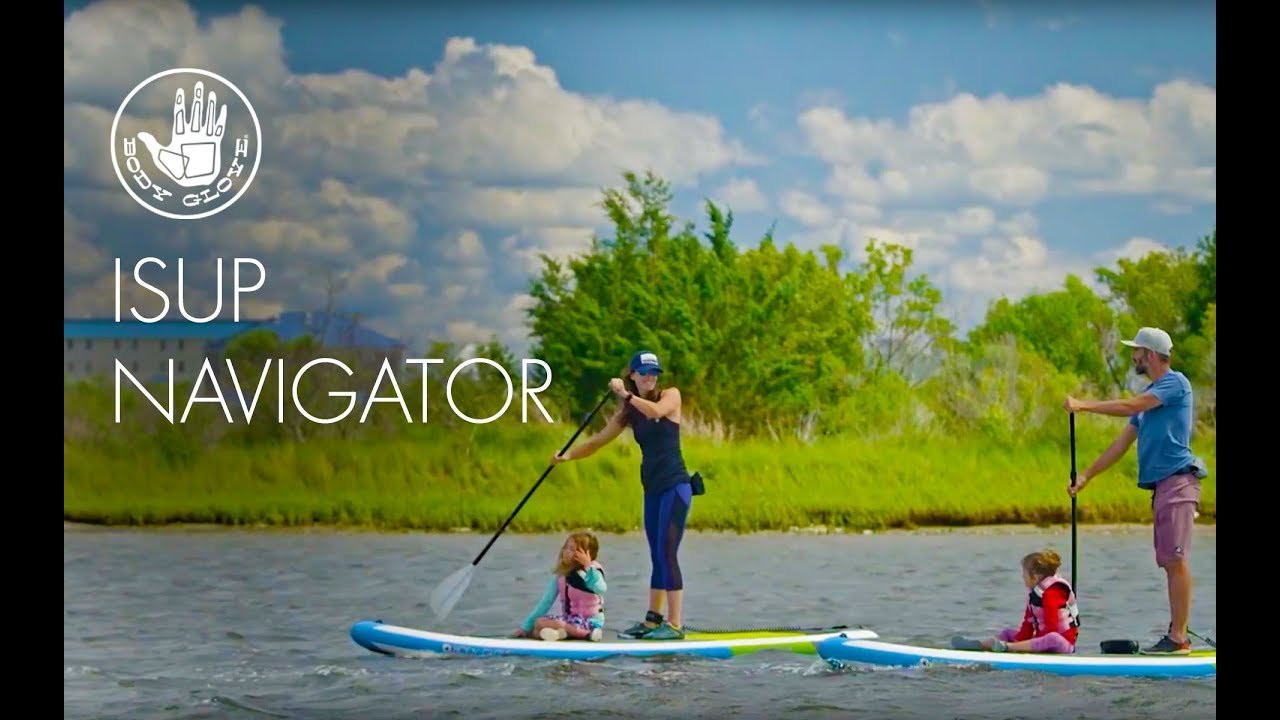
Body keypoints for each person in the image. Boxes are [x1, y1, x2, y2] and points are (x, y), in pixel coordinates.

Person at [1063, 326, 1207, 655]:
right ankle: (1177, 633)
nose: (1133, 357)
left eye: (1137, 351)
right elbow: (1121, 444)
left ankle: (1179, 637)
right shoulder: (1148, 398)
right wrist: (1087, 475)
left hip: (1179, 481)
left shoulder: (1174, 383)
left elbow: (1130, 406)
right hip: (1163, 487)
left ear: (1152, 355)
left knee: (1176, 558)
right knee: (1169, 560)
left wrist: (1084, 406)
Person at [550, 350, 694, 640]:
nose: (650, 377)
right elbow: (597, 442)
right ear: (632, 375)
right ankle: (653, 620)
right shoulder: (628, 412)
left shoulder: (671, 396)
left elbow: (654, 412)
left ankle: (675, 625)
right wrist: (567, 456)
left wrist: (624, 395)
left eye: (654, 372)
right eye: (644, 372)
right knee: (656, 555)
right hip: (652, 489)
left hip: (676, 486)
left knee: (667, 552)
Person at [951, 549, 1080, 654]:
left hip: (1062, 646)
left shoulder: (1053, 593)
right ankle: (981, 645)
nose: (1022, 577)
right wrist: (1021, 641)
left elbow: (1052, 628)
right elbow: (1027, 626)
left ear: (1034, 577)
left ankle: (1007, 648)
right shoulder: (1035, 595)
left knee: (1052, 638)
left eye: (1024, 574)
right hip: (1041, 640)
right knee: (1008, 633)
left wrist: (1029, 647)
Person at [514, 531, 607, 642]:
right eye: (566, 548)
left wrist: (588, 566)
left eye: (572, 550)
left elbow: (601, 588)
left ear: (587, 555)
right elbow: (545, 603)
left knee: (547, 623)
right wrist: (525, 628)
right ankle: (560, 634)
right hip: (571, 621)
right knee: (536, 628)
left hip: (591, 622)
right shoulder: (561, 576)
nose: (566, 552)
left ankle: (587, 634)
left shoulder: (593, 571)